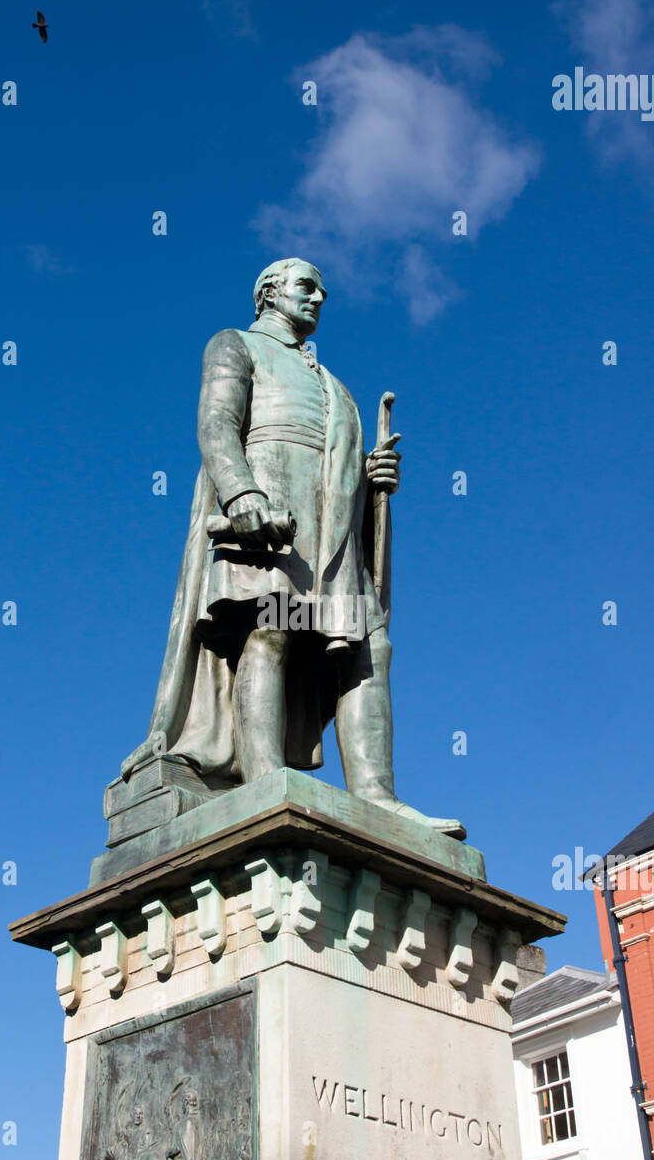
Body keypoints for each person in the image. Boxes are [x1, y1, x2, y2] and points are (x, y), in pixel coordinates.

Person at [122, 258, 464, 837]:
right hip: (268, 515)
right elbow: (216, 425)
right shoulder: (235, 344)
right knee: (271, 631)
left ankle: (378, 796)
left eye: (324, 289)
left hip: (331, 529)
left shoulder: (336, 385)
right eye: (307, 286)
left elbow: (336, 459)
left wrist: (371, 473)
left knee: (369, 647)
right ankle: (264, 782)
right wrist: (241, 494)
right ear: (268, 293)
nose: (320, 297)